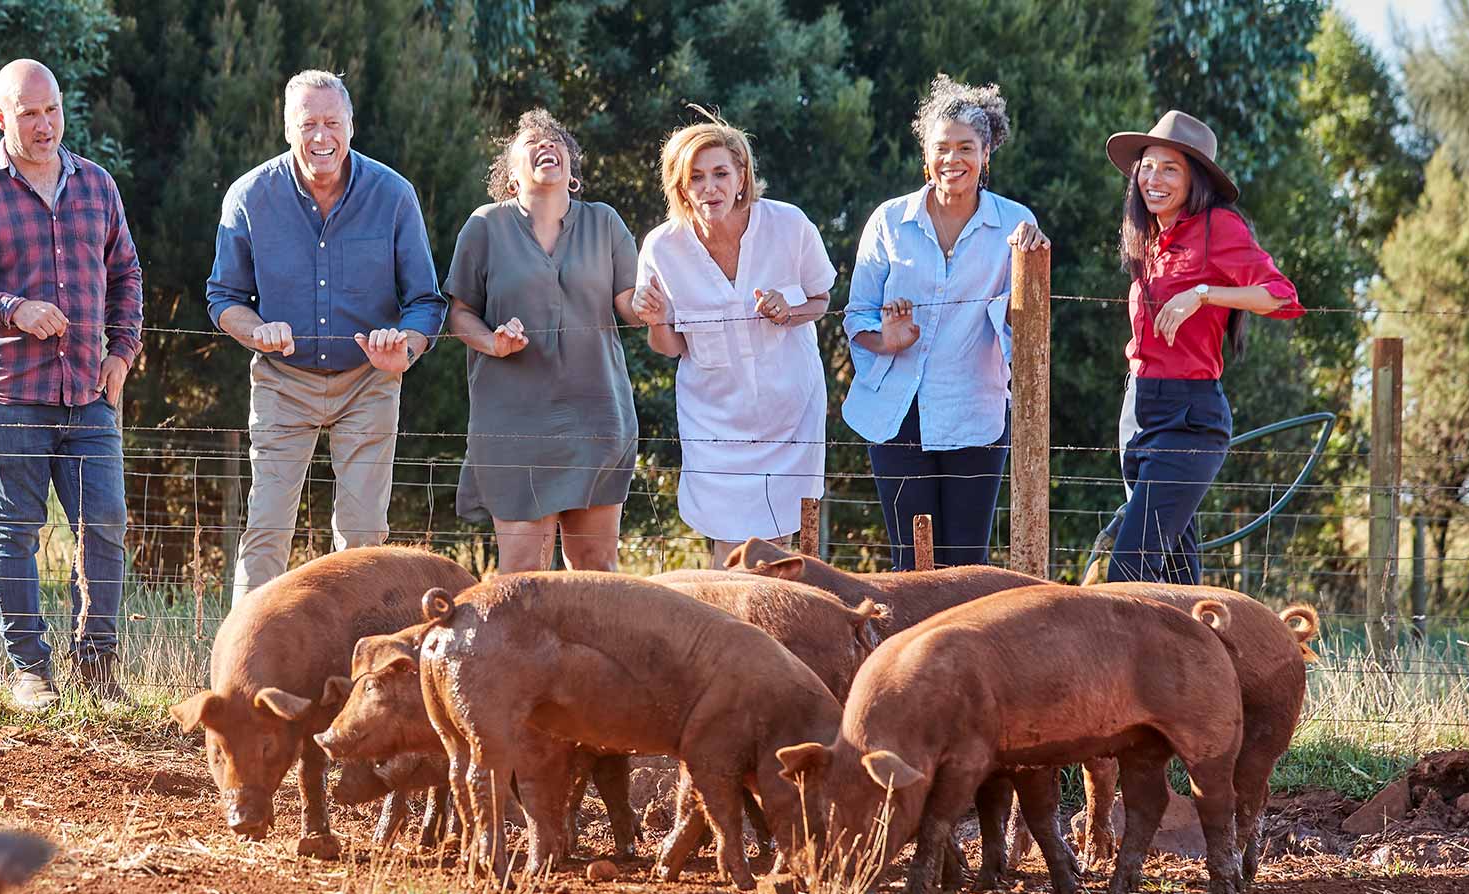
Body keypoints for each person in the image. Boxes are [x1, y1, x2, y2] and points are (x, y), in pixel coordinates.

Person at [0, 59, 144, 711]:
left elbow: (127, 276)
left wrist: (122, 353)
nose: (44, 124)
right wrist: (12, 308)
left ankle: (97, 668)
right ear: (1, 117)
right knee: (17, 529)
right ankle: (31, 673)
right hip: (8, 391)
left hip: (88, 390)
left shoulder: (97, 186)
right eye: (28, 113)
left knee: (104, 524)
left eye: (52, 110)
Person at [207, 70, 445, 605]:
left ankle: (359, 651)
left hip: (368, 380)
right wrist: (257, 331)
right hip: (282, 380)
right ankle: (245, 650)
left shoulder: (393, 195)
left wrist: (404, 350)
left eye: (332, 123)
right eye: (308, 123)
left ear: (351, 126)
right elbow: (223, 297)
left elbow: (426, 302)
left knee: (364, 537)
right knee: (266, 529)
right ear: (287, 128)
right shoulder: (250, 196)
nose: (321, 136)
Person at [841, 76, 1050, 569]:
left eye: (966, 148)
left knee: (966, 565)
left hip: (974, 413)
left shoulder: (1016, 224)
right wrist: (887, 340)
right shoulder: (889, 221)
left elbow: (1027, 328)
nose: (952, 159)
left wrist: (1035, 261)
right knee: (911, 566)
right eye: (941, 148)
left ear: (986, 154)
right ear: (925, 154)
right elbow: (856, 315)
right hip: (897, 416)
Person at [1103, 109, 1304, 583]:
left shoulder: (1219, 227)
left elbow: (1282, 297)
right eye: (1148, 166)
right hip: (1137, 411)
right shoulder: (1149, 239)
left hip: (1189, 417)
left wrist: (1204, 294)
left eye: (1170, 169)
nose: (1154, 179)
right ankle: (1197, 634)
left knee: (1129, 569)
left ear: (1195, 179)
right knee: (1176, 573)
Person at [445, 109, 643, 573]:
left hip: (598, 419)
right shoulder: (485, 226)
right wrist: (493, 342)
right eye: (531, 142)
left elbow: (631, 305)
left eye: (555, 141)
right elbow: (459, 313)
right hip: (513, 426)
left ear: (573, 174)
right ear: (511, 177)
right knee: (523, 573)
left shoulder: (605, 222)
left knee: (596, 567)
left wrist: (652, 306)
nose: (546, 145)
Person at [631, 120, 836, 567]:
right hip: (714, 421)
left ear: (742, 176)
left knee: (778, 551)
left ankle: (780, 615)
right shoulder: (661, 248)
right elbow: (669, 346)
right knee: (728, 555)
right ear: (681, 188)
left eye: (720, 173)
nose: (710, 188)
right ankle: (727, 615)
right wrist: (657, 319)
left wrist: (789, 310)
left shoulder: (789, 224)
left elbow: (821, 300)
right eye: (696, 178)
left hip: (789, 416)